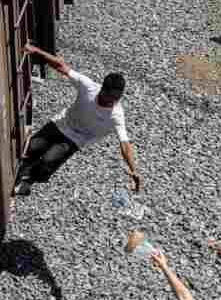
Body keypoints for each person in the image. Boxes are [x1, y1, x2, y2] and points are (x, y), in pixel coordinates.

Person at [14, 44, 138, 197]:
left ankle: (28, 181)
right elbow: (61, 66)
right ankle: (22, 169)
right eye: (109, 97)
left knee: (48, 160)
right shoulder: (89, 87)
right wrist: (36, 50)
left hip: (76, 139)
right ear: (102, 89)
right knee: (32, 147)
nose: (111, 102)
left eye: (116, 99)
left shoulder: (116, 115)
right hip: (62, 122)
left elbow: (125, 145)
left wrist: (133, 170)